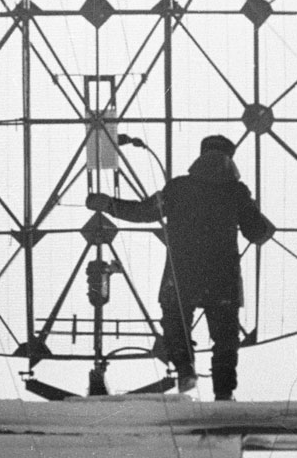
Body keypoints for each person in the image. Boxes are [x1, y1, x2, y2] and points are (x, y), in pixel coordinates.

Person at [86, 134, 275, 401]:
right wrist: (261, 224)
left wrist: (108, 204)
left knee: (175, 323)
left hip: (182, 272)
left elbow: (142, 212)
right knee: (225, 338)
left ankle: (186, 371)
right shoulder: (237, 191)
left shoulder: (178, 188)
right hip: (223, 276)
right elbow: (255, 233)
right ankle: (223, 393)